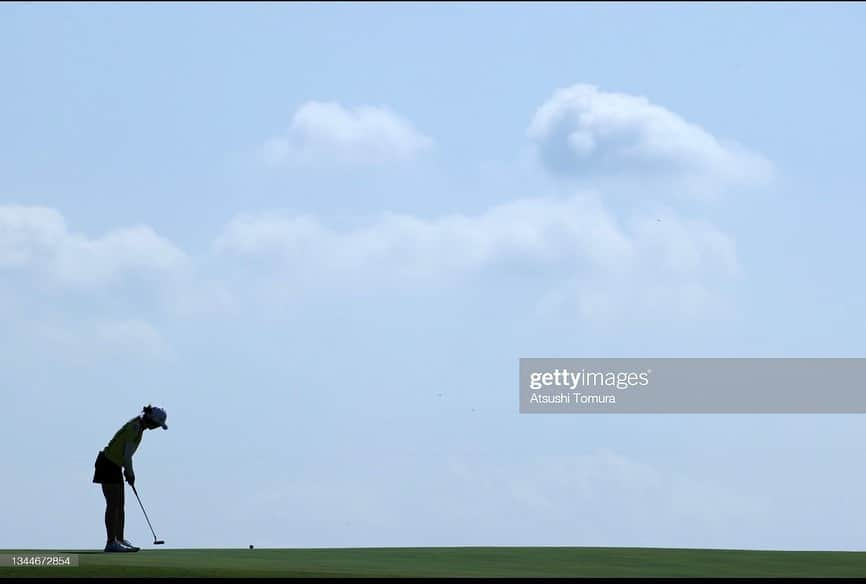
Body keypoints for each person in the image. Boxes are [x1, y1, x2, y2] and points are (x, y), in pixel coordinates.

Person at [92, 405, 168, 552]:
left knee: (120, 505)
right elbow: (127, 456)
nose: (157, 428)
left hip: (115, 465)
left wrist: (127, 472)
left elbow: (127, 456)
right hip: (108, 463)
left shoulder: (139, 428)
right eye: (157, 425)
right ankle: (111, 542)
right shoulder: (135, 427)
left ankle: (119, 539)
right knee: (113, 504)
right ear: (151, 421)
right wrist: (130, 474)